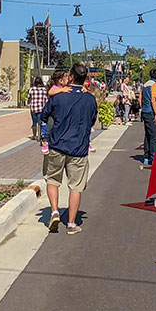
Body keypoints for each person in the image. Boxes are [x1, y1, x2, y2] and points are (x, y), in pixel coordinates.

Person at [41, 62, 97, 235]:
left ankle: (55, 211)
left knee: (52, 180)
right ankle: (71, 224)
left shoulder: (58, 97)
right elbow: (92, 120)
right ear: (85, 79)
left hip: (57, 145)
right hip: (79, 148)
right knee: (76, 187)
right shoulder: (90, 99)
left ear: (71, 77)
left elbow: (44, 116)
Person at [139, 68, 156, 167]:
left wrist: (142, 107)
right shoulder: (155, 85)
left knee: (147, 135)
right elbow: (153, 99)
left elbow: (140, 99)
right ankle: (153, 157)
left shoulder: (145, 85)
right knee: (153, 136)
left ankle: (146, 157)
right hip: (150, 111)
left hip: (144, 111)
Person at [27, 77, 47, 142]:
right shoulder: (44, 89)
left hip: (33, 107)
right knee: (40, 122)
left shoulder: (32, 89)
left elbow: (29, 97)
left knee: (34, 122)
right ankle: (39, 136)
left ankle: (34, 135)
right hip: (41, 108)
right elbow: (46, 99)